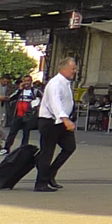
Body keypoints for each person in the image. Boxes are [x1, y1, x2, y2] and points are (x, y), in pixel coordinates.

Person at [32, 58, 79, 191]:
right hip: (50, 121)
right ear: (64, 69)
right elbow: (55, 103)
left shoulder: (66, 83)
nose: (74, 72)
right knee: (48, 151)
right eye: (72, 69)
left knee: (70, 147)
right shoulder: (55, 83)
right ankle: (41, 183)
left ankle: (50, 173)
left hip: (62, 121)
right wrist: (64, 119)